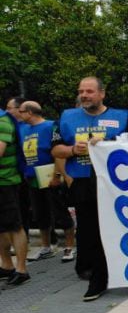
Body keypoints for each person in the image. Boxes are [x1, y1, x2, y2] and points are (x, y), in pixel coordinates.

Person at [51, 76, 128, 301]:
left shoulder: (122, 116)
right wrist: (72, 150)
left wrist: (109, 145)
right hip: (84, 183)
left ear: (102, 93)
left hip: (117, 182)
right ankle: (98, 279)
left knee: (123, 226)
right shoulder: (68, 117)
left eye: (89, 91)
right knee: (91, 233)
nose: (84, 95)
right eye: (81, 91)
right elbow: (55, 150)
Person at [18, 101, 76, 263]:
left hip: (50, 176)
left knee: (60, 211)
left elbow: (58, 151)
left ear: (30, 112)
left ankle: (69, 246)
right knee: (39, 213)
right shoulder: (23, 129)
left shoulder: (51, 126)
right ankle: (46, 246)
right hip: (32, 177)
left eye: (21, 111)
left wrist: (57, 175)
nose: (19, 114)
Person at [0, 105, 30, 286]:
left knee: (14, 226)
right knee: (1, 228)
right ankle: (7, 265)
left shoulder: (2, 121)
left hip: (6, 182)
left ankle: (21, 269)